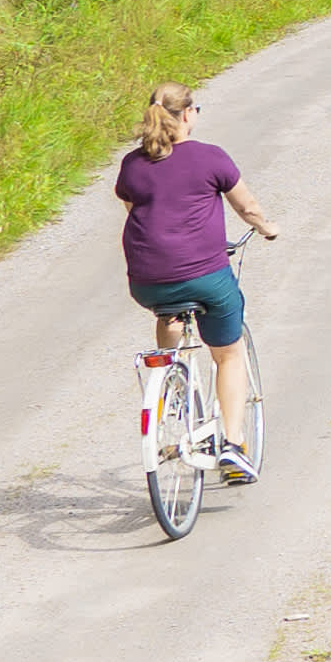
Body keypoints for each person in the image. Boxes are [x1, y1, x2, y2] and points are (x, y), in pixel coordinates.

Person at [114, 83, 278, 476]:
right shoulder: (210, 158)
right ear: (187, 114)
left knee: (168, 310)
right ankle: (234, 446)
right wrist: (268, 227)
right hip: (205, 276)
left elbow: (131, 205)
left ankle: (172, 382)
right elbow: (248, 208)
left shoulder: (132, 164)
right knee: (227, 353)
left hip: (147, 281)